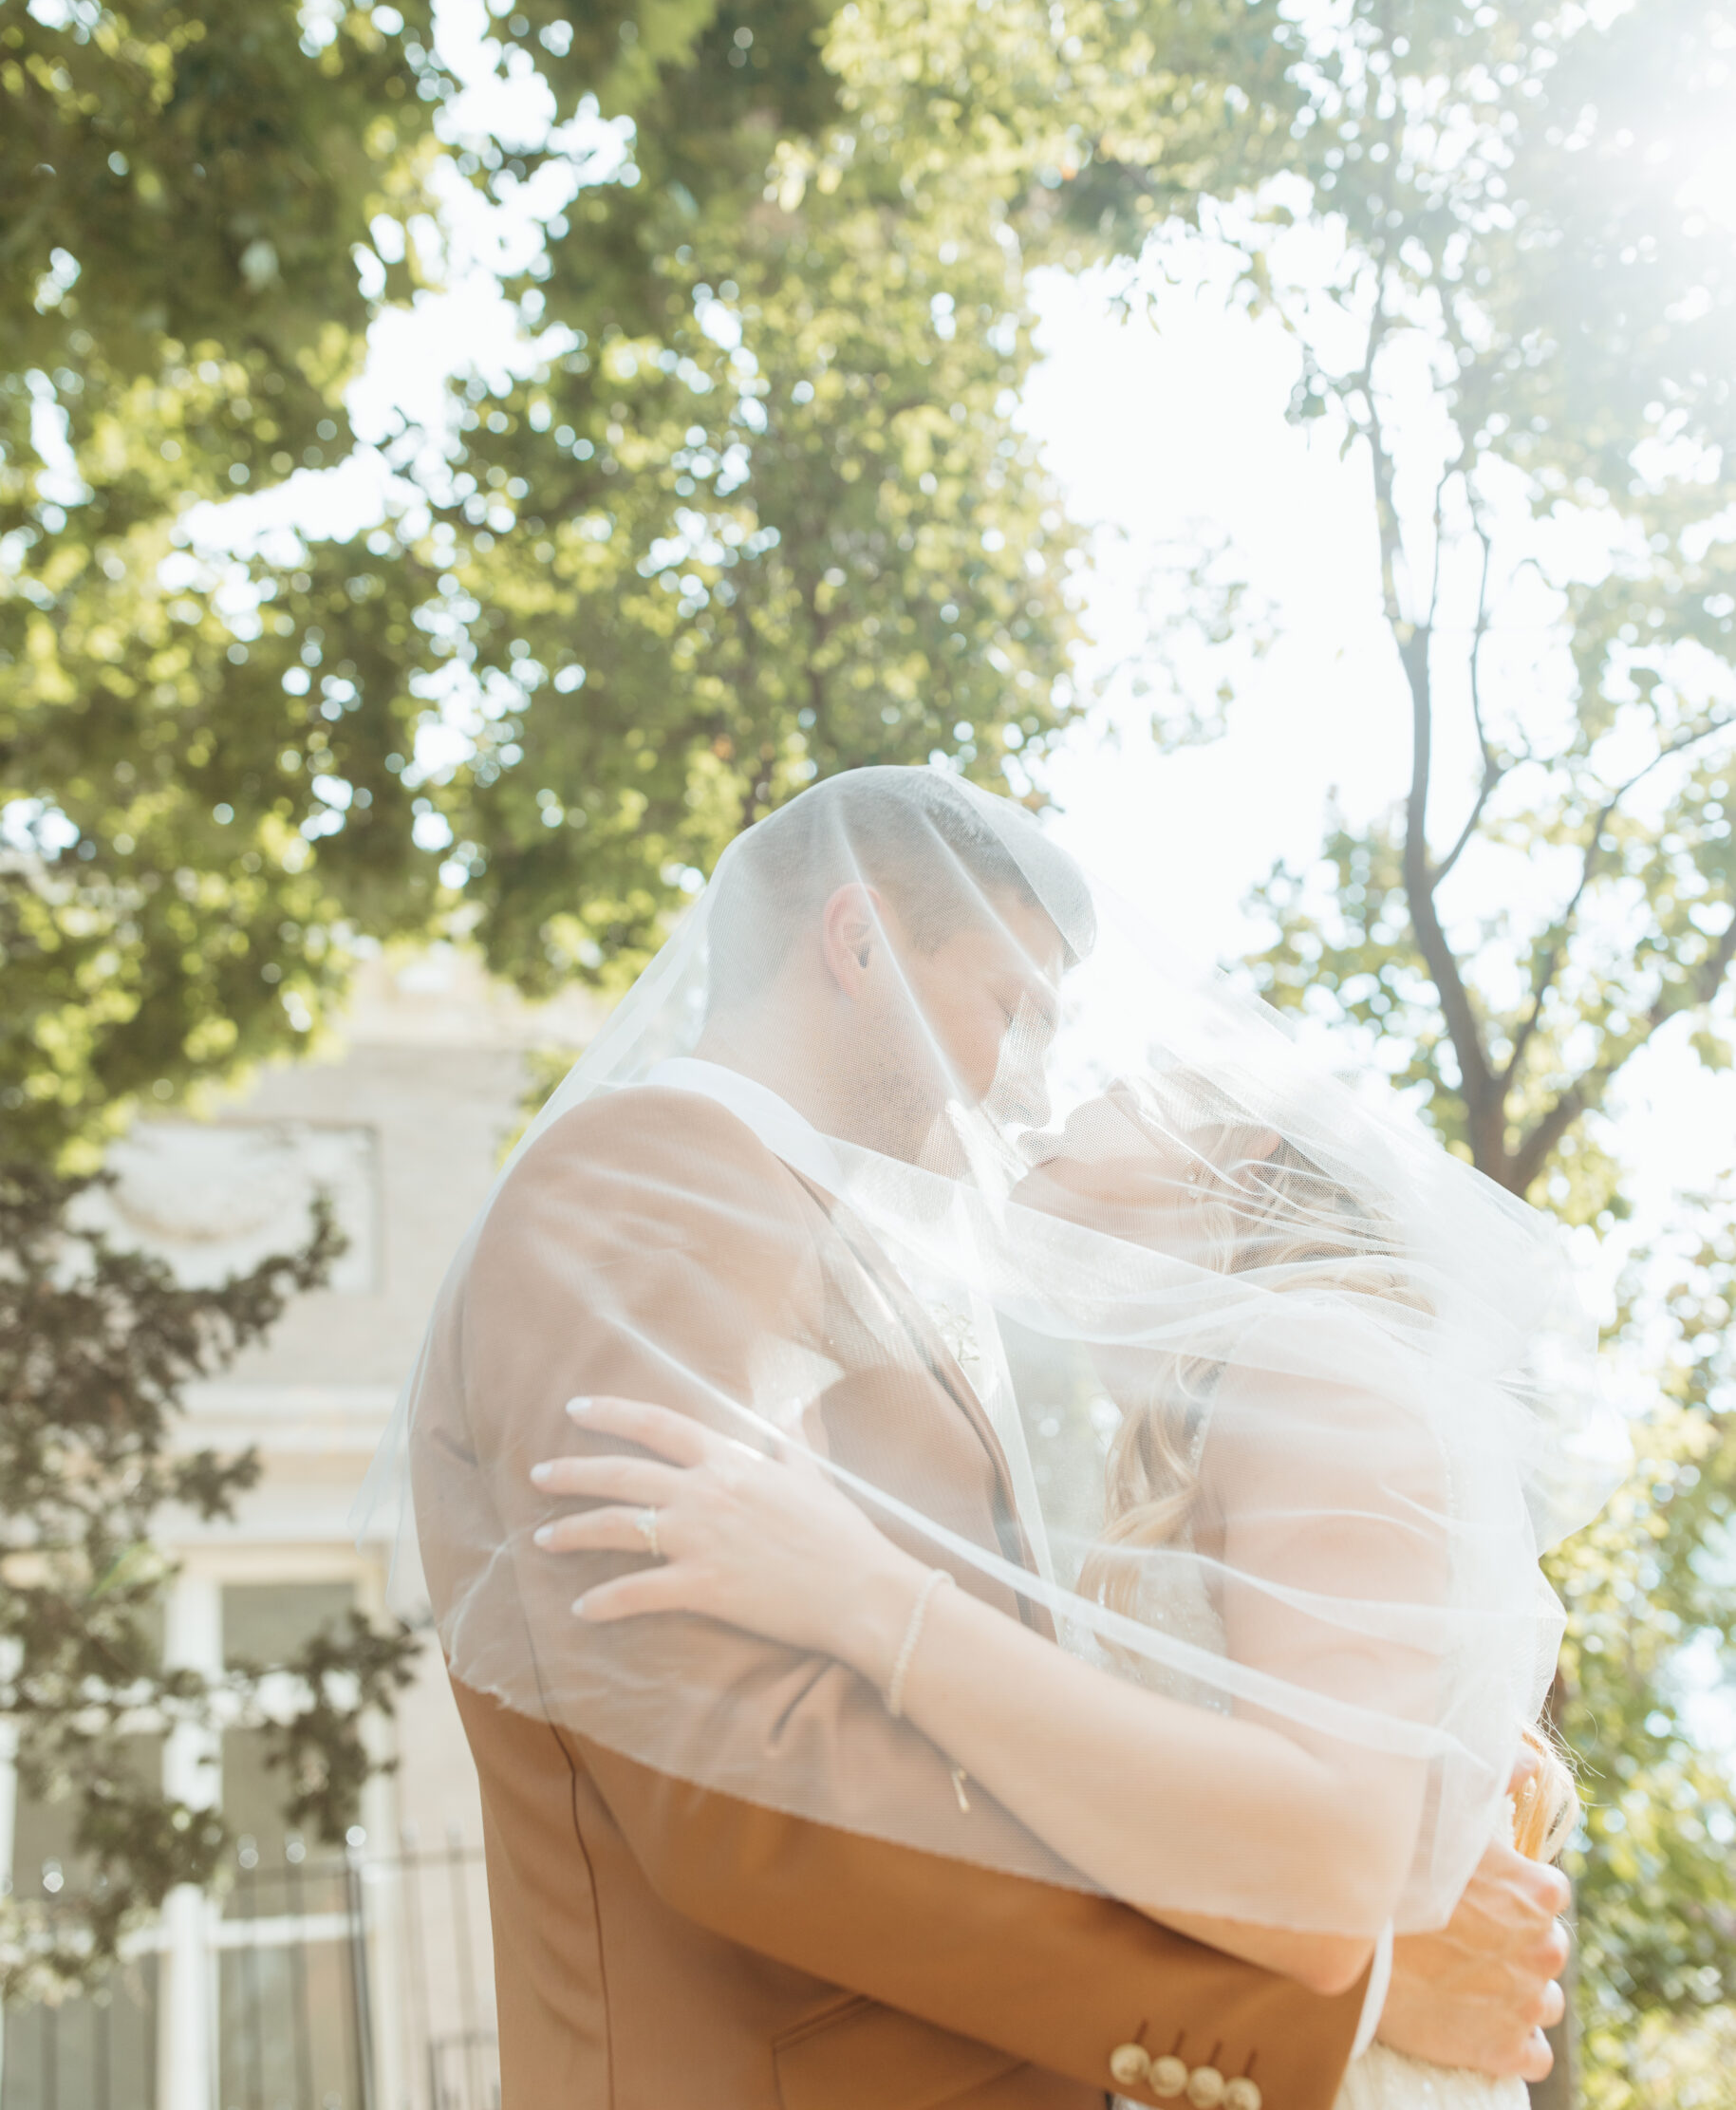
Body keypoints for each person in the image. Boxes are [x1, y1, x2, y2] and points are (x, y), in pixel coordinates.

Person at [406, 768, 1586, 2110]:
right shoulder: (648, 1183)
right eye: (1007, 1008)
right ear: (857, 943)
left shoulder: (851, 1265)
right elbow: (736, 1768)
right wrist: (1335, 1998)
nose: (1025, 1084)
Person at [528, 1078, 1579, 2110]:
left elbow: (1326, 1864)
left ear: (1242, 1142)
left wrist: (854, 1588)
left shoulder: (1314, 1362)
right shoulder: (1197, 1421)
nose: (1042, 1104)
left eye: (1111, 1085)